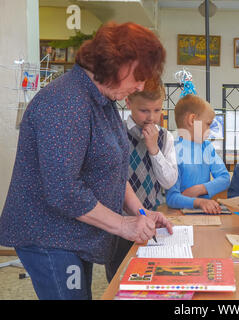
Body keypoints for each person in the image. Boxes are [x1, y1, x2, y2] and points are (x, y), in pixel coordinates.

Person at [0, 22, 173, 300]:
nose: (141, 85)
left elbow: (114, 170)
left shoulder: (101, 100)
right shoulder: (65, 102)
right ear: (115, 63)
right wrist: (122, 224)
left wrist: (141, 213)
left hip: (74, 233)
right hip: (49, 235)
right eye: (138, 76)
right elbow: (63, 190)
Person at [105, 80, 178, 282]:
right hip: (119, 221)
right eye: (144, 111)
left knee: (152, 275)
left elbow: (169, 182)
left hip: (153, 219)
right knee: (119, 275)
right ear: (128, 103)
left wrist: (153, 148)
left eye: (157, 110)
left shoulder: (165, 138)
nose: (152, 117)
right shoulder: (114, 132)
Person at [166, 94, 230, 214]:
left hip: (205, 214)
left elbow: (225, 179)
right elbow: (172, 198)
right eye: (208, 124)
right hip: (179, 216)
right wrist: (199, 202)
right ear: (192, 120)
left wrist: (200, 189)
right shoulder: (172, 151)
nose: (210, 130)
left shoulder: (206, 147)